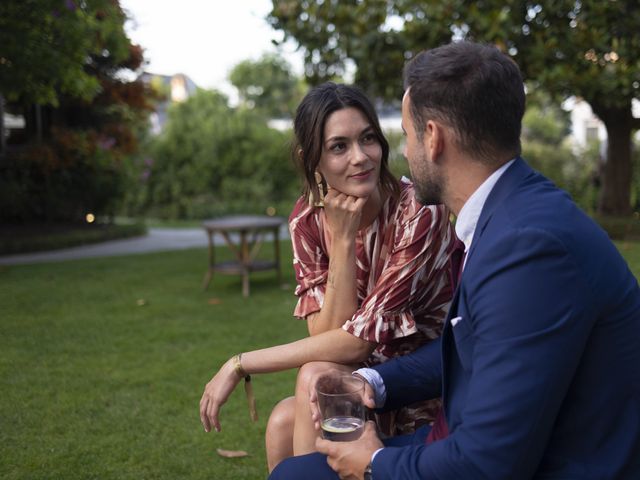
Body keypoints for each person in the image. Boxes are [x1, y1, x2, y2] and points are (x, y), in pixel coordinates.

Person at [269, 41, 640, 480]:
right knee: (299, 467)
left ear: (433, 138)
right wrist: (370, 382)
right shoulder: (511, 213)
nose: (400, 153)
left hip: (547, 461)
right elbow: (473, 350)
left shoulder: (527, 246)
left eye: (404, 135)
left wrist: (375, 463)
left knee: (300, 476)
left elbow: (487, 462)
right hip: (480, 439)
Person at [199, 83, 459, 472]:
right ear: (312, 160)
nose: (360, 157)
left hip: (416, 386)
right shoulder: (306, 220)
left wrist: (241, 363)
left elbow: (353, 346)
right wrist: (342, 239)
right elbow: (324, 339)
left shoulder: (419, 212)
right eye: (339, 146)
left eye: (368, 139)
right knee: (283, 420)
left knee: (315, 376)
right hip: (352, 385)